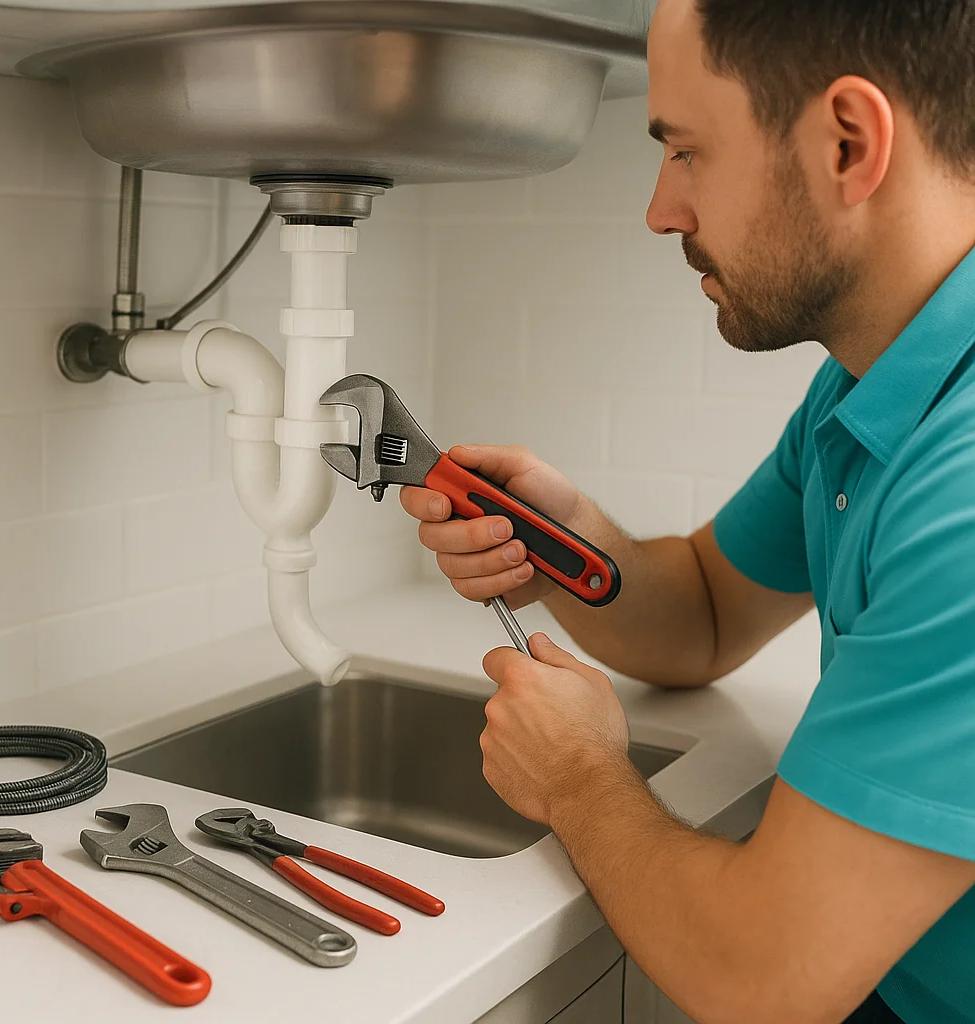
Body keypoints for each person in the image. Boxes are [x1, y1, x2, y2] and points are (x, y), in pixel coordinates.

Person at [400, 1, 975, 1021]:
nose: (661, 210)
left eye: (686, 150)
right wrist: (565, 539)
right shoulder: (869, 380)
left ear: (849, 143)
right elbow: (706, 612)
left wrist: (579, 780)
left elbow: (764, 977)